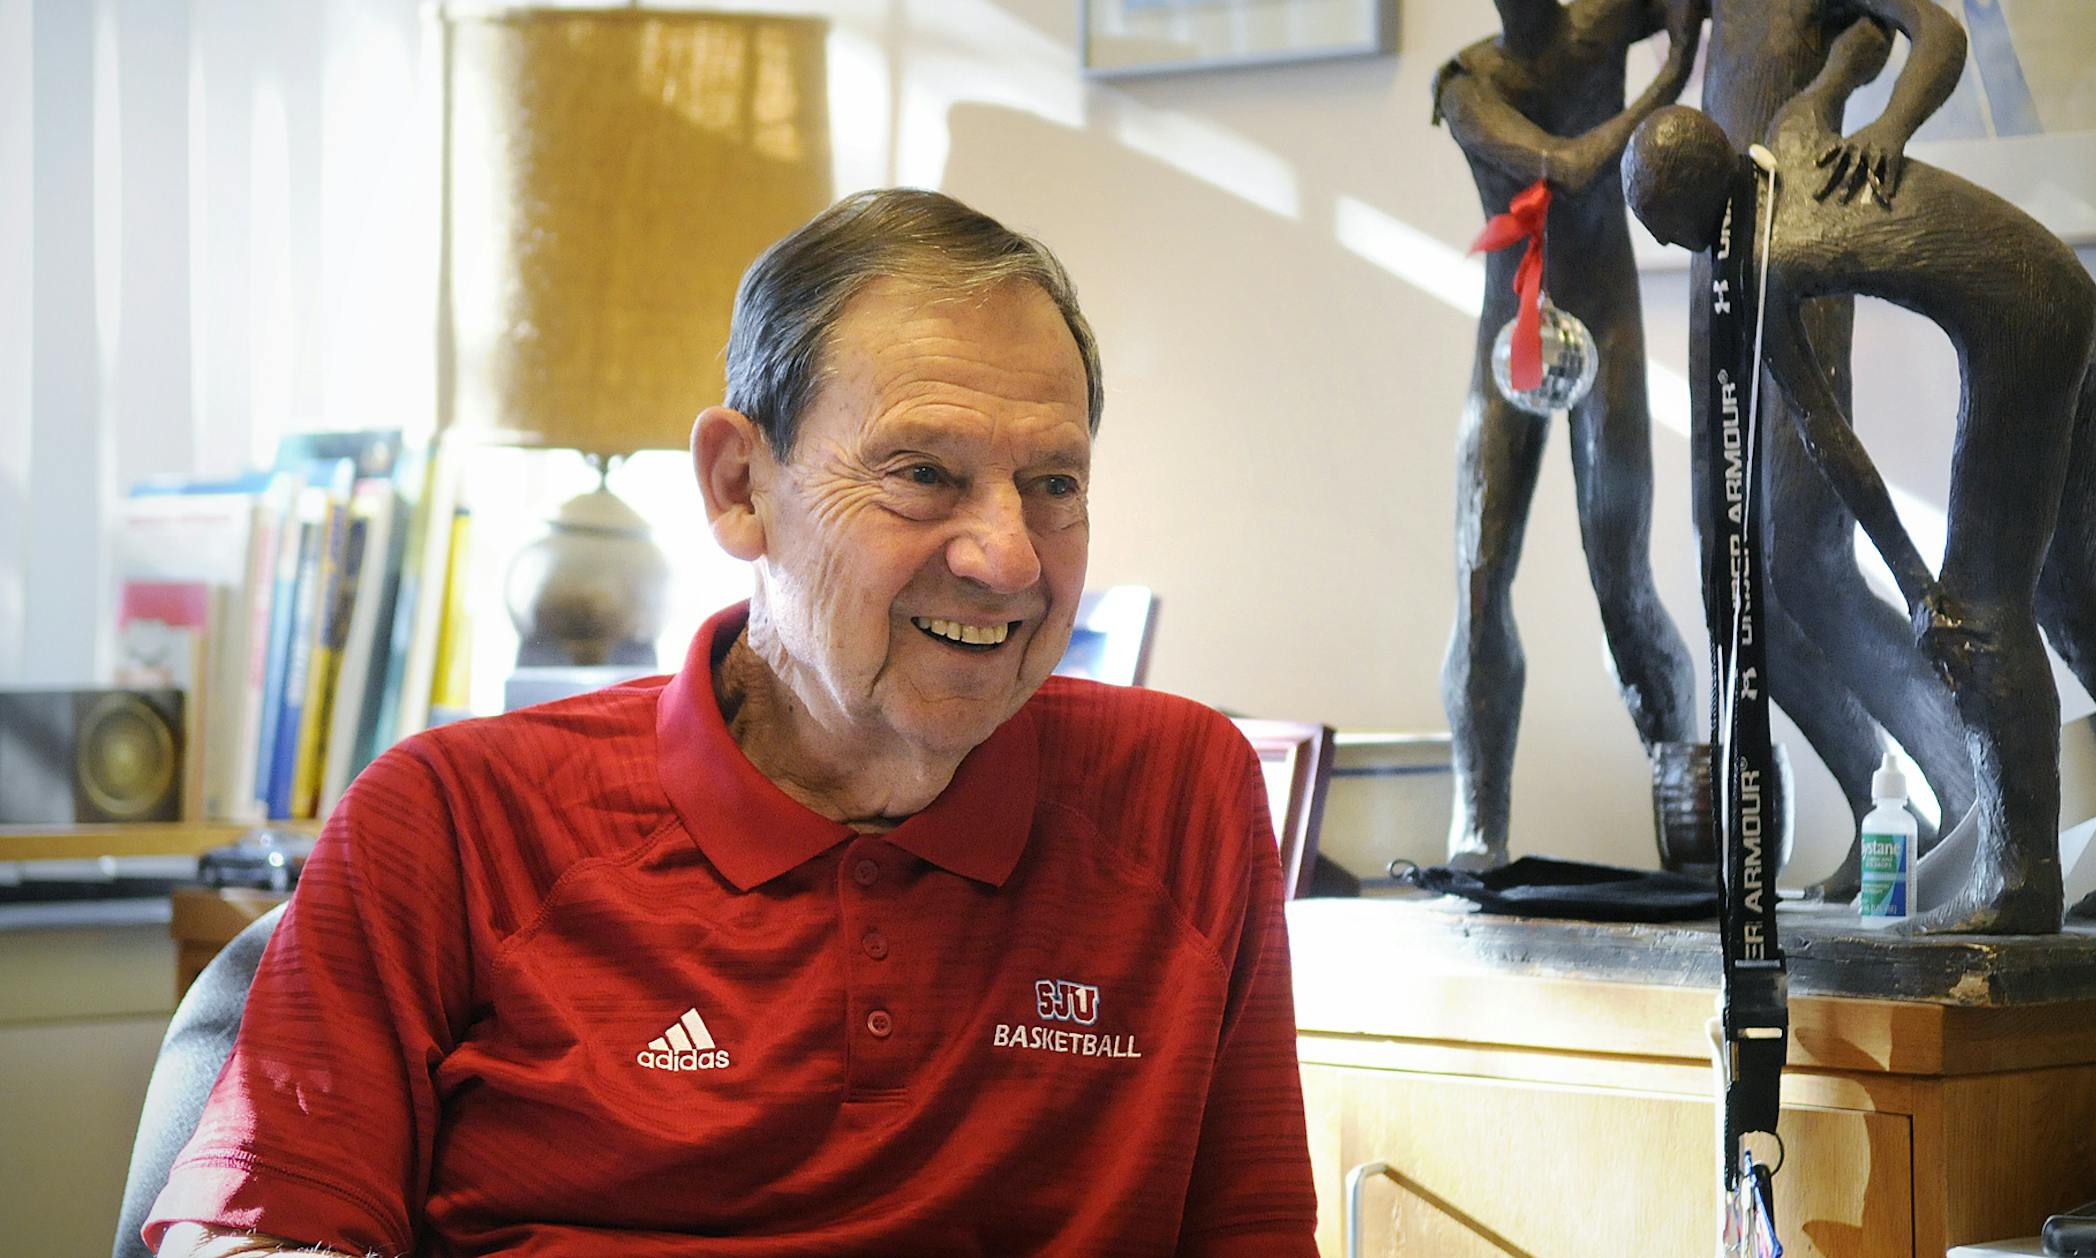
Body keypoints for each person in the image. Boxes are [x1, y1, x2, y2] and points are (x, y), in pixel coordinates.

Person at [147, 189, 1321, 1256]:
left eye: (1054, 484)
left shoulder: (1177, 796)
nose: (1007, 556)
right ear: (738, 485)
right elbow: (251, 1236)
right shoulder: (453, 821)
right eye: (922, 473)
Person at [1625, 19, 2096, 932]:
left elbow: (1833, 447)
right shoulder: (1788, 138)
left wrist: (1923, 596)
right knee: (2069, 588)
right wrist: (1890, 125)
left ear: (1681, 214)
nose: (1675, 252)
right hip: (2062, 285)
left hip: (2019, 323)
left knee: (1981, 609)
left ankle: (2020, 880)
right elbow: (1861, 48)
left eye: (1664, 232)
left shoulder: (1760, 260)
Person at [1692, 0, 1980, 898]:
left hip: (1793, 255)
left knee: (1801, 555)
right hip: (1708, 261)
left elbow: (1938, 32)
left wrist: (1888, 128)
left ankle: (1964, 794)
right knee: (1731, 573)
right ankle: (1876, 808)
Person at [1428, 0, 1717, 868]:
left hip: (1606, 319)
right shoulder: (1471, 86)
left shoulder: (1598, 19)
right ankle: (1479, 818)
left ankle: (1685, 792)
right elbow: (1571, 165)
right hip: (1510, 335)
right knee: (1479, 574)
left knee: (1620, 575)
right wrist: (1671, 78)